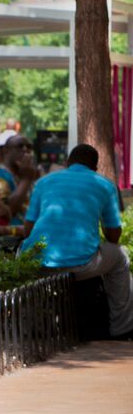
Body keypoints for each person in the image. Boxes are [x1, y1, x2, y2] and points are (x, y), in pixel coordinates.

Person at [20, 144, 133, 339]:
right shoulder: (105, 185)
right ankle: (121, 329)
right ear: (95, 168)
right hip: (81, 266)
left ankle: (32, 327)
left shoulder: (43, 182)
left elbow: (27, 230)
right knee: (120, 256)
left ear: (66, 163)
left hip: (36, 264)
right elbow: (113, 237)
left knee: (23, 248)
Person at [0, 135, 39, 222]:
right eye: (19, 146)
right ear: (6, 151)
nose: (25, 150)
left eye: (29, 147)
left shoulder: (24, 173)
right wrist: (26, 180)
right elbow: (8, 210)